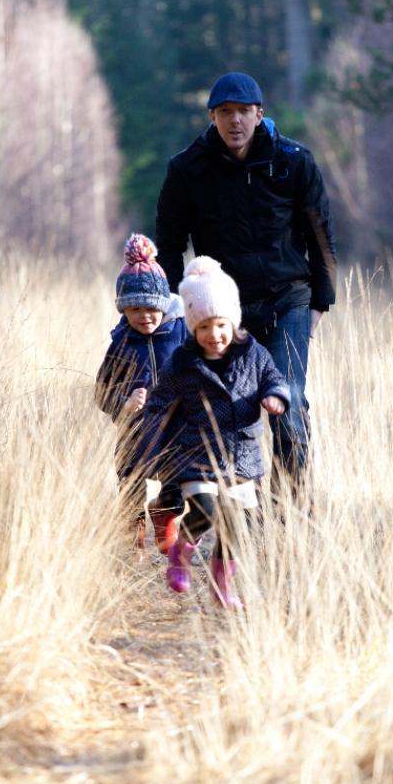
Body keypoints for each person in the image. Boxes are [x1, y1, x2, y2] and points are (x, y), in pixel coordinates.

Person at [155, 71, 337, 497]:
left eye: (242, 112)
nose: (234, 121)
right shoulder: (187, 169)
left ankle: (289, 515)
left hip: (287, 300)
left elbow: (321, 238)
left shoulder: (294, 162)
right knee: (225, 411)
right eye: (224, 113)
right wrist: (182, 307)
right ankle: (232, 512)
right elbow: (169, 244)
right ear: (212, 117)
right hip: (224, 313)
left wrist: (320, 303)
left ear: (260, 114)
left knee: (286, 404)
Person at [138, 256, 290, 609]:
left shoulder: (254, 353)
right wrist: (150, 443)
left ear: (232, 321)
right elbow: (160, 403)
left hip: (242, 457)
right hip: (196, 455)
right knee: (204, 507)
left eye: (220, 325)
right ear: (193, 328)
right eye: (203, 327)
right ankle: (181, 554)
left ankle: (222, 589)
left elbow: (275, 378)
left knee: (236, 527)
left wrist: (275, 396)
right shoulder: (181, 361)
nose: (213, 335)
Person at [95, 234, 189, 552]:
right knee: (131, 482)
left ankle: (165, 515)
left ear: (163, 303)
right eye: (134, 308)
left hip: (175, 427)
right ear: (124, 310)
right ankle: (132, 542)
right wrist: (124, 403)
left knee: (176, 480)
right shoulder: (121, 344)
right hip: (134, 431)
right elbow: (101, 392)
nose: (144, 315)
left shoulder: (181, 333)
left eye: (151, 307)